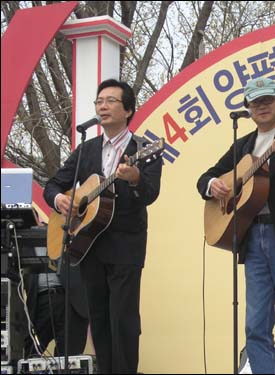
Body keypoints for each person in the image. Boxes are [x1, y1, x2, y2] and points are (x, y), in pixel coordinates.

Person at [197, 77, 275, 374]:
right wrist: (213, 185)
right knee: (255, 327)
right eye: (256, 102)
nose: (262, 106)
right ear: (248, 110)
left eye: (268, 100)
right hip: (253, 241)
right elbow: (206, 177)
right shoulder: (242, 145)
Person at [43, 78, 163, 374]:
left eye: (110, 101)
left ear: (128, 110)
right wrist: (60, 200)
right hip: (88, 246)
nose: (103, 106)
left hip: (125, 246)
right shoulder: (87, 149)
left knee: (123, 322)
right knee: (98, 321)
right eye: (99, 102)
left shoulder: (145, 148)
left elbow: (150, 194)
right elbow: (53, 184)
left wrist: (134, 177)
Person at [23, 247, 89, 358]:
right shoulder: (21, 235)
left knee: (69, 358)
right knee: (29, 355)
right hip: (40, 301)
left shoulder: (68, 230)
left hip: (70, 300)